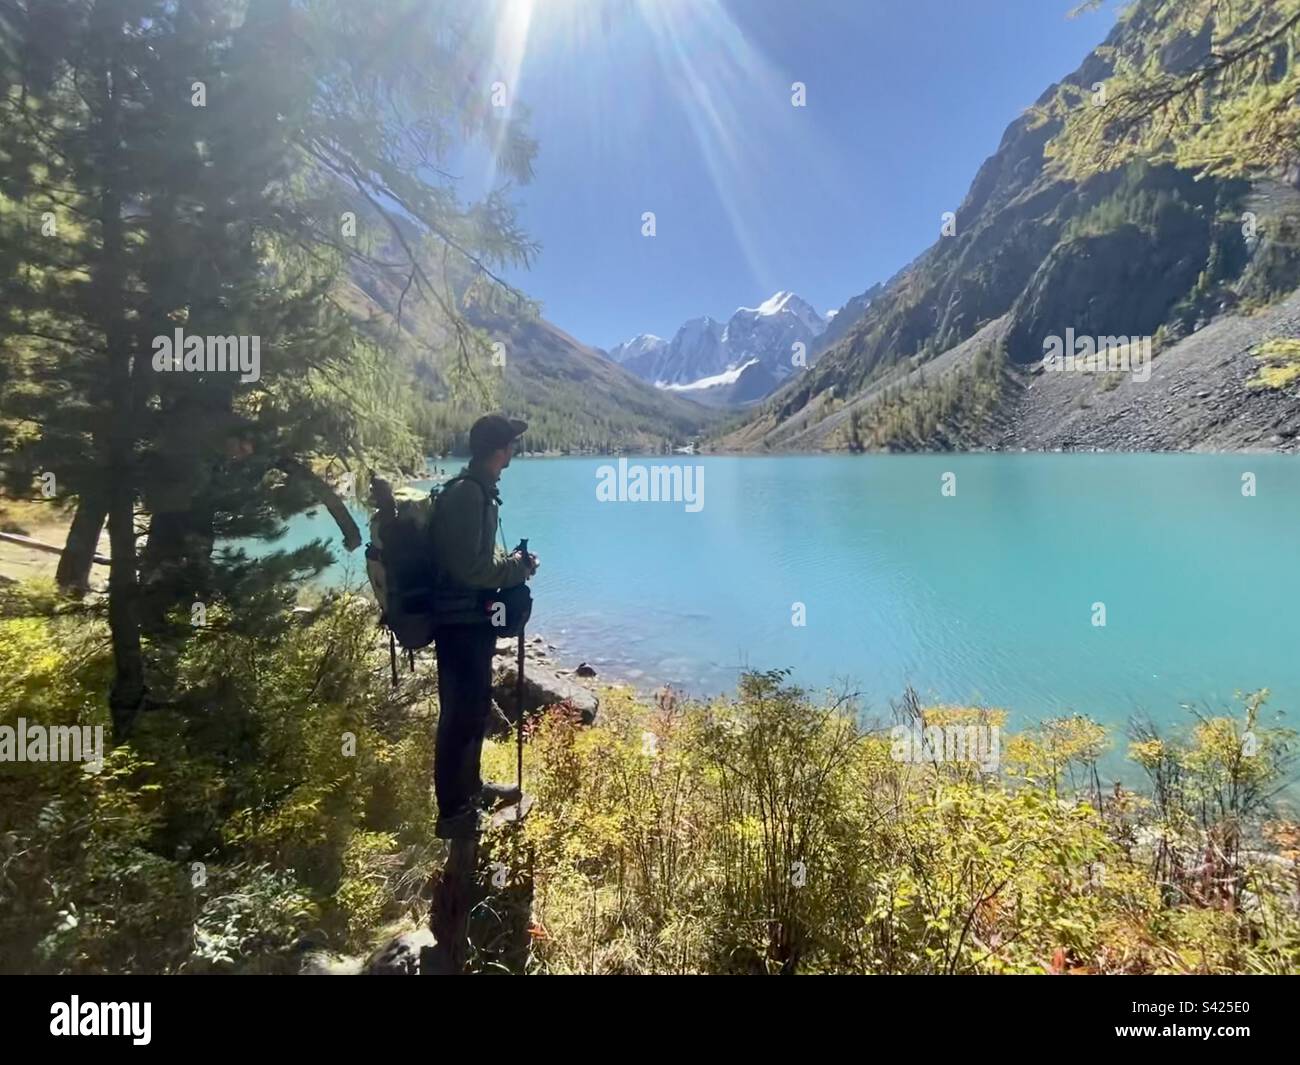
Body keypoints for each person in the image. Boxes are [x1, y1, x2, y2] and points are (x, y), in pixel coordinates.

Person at [430, 414, 539, 838]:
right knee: (459, 715)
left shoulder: (478, 492)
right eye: (511, 443)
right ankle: (454, 814)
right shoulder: (467, 496)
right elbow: (471, 568)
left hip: (471, 621)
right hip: (459, 623)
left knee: (473, 710)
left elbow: (474, 560)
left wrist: (510, 565)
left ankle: (471, 790)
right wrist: (517, 568)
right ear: (499, 450)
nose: (514, 449)